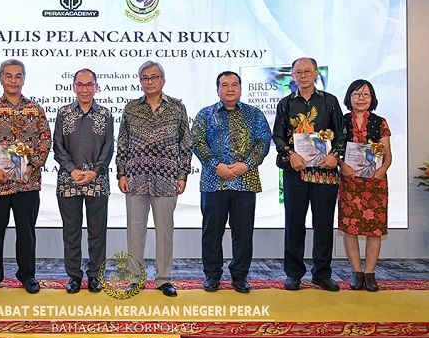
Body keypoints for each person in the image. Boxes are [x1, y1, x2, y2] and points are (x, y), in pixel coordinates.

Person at [0, 59, 51, 297]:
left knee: (26, 232)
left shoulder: (35, 109)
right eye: (8, 76)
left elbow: (45, 141)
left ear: (24, 79)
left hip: (27, 183)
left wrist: (32, 166)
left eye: (18, 76)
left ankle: (27, 275)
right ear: (1, 79)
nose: (13, 80)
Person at [116, 60, 192, 297]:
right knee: (135, 230)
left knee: (165, 231)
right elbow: (122, 143)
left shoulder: (177, 108)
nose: (150, 82)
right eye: (145, 78)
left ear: (163, 80)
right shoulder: (131, 109)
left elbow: (185, 144)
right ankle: (135, 278)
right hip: (136, 177)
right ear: (140, 82)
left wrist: (183, 175)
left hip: (167, 178)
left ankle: (163, 279)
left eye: (154, 77)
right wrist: (121, 173)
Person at [191, 71, 271, 293]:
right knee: (211, 232)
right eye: (224, 85)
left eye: (234, 84)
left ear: (240, 88)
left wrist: (246, 164)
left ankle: (240, 276)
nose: (230, 89)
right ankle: (212, 275)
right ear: (217, 89)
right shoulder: (205, 114)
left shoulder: (254, 114)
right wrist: (216, 165)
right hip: (213, 181)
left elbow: (263, 142)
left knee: (243, 233)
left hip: (245, 181)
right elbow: (197, 142)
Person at [272, 57, 346, 292]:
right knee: (294, 224)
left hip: (325, 172)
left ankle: (322, 274)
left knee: (323, 224)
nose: (303, 76)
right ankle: (293, 274)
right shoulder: (285, 104)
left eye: (307, 71)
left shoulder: (330, 101)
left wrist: (335, 155)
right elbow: (278, 136)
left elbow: (342, 133)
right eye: (298, 72)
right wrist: (290, 154)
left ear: (316, 74)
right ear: (293, 76)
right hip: (296, 171)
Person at [53, 68, 114, 294]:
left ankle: (95, 275)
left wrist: (94, 172)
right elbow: (57, 146)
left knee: (97, 232)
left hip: (98, 181)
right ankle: (74, 276)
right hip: (68, 180)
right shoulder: (63, 113)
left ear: (96, 87)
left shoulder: (106, 114)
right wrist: (72, 170)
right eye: (80, 84)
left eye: (89, 84)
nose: (85, 89)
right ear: (73, 87)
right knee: (71, 232)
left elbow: (109, 148)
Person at [338, 80, 392, 292]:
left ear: (372, 98)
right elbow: (335, 150)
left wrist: (383, 169)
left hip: (375, 182)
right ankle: (356, 272)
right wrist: (342, 165)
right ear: (349, 97)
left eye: (366, 95)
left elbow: (387, 155)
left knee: (374, 229)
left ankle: (369, 273)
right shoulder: (341, 120)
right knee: (350, 228)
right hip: (349, 181)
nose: (361, 98)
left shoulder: (380, 122)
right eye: (356, 94)